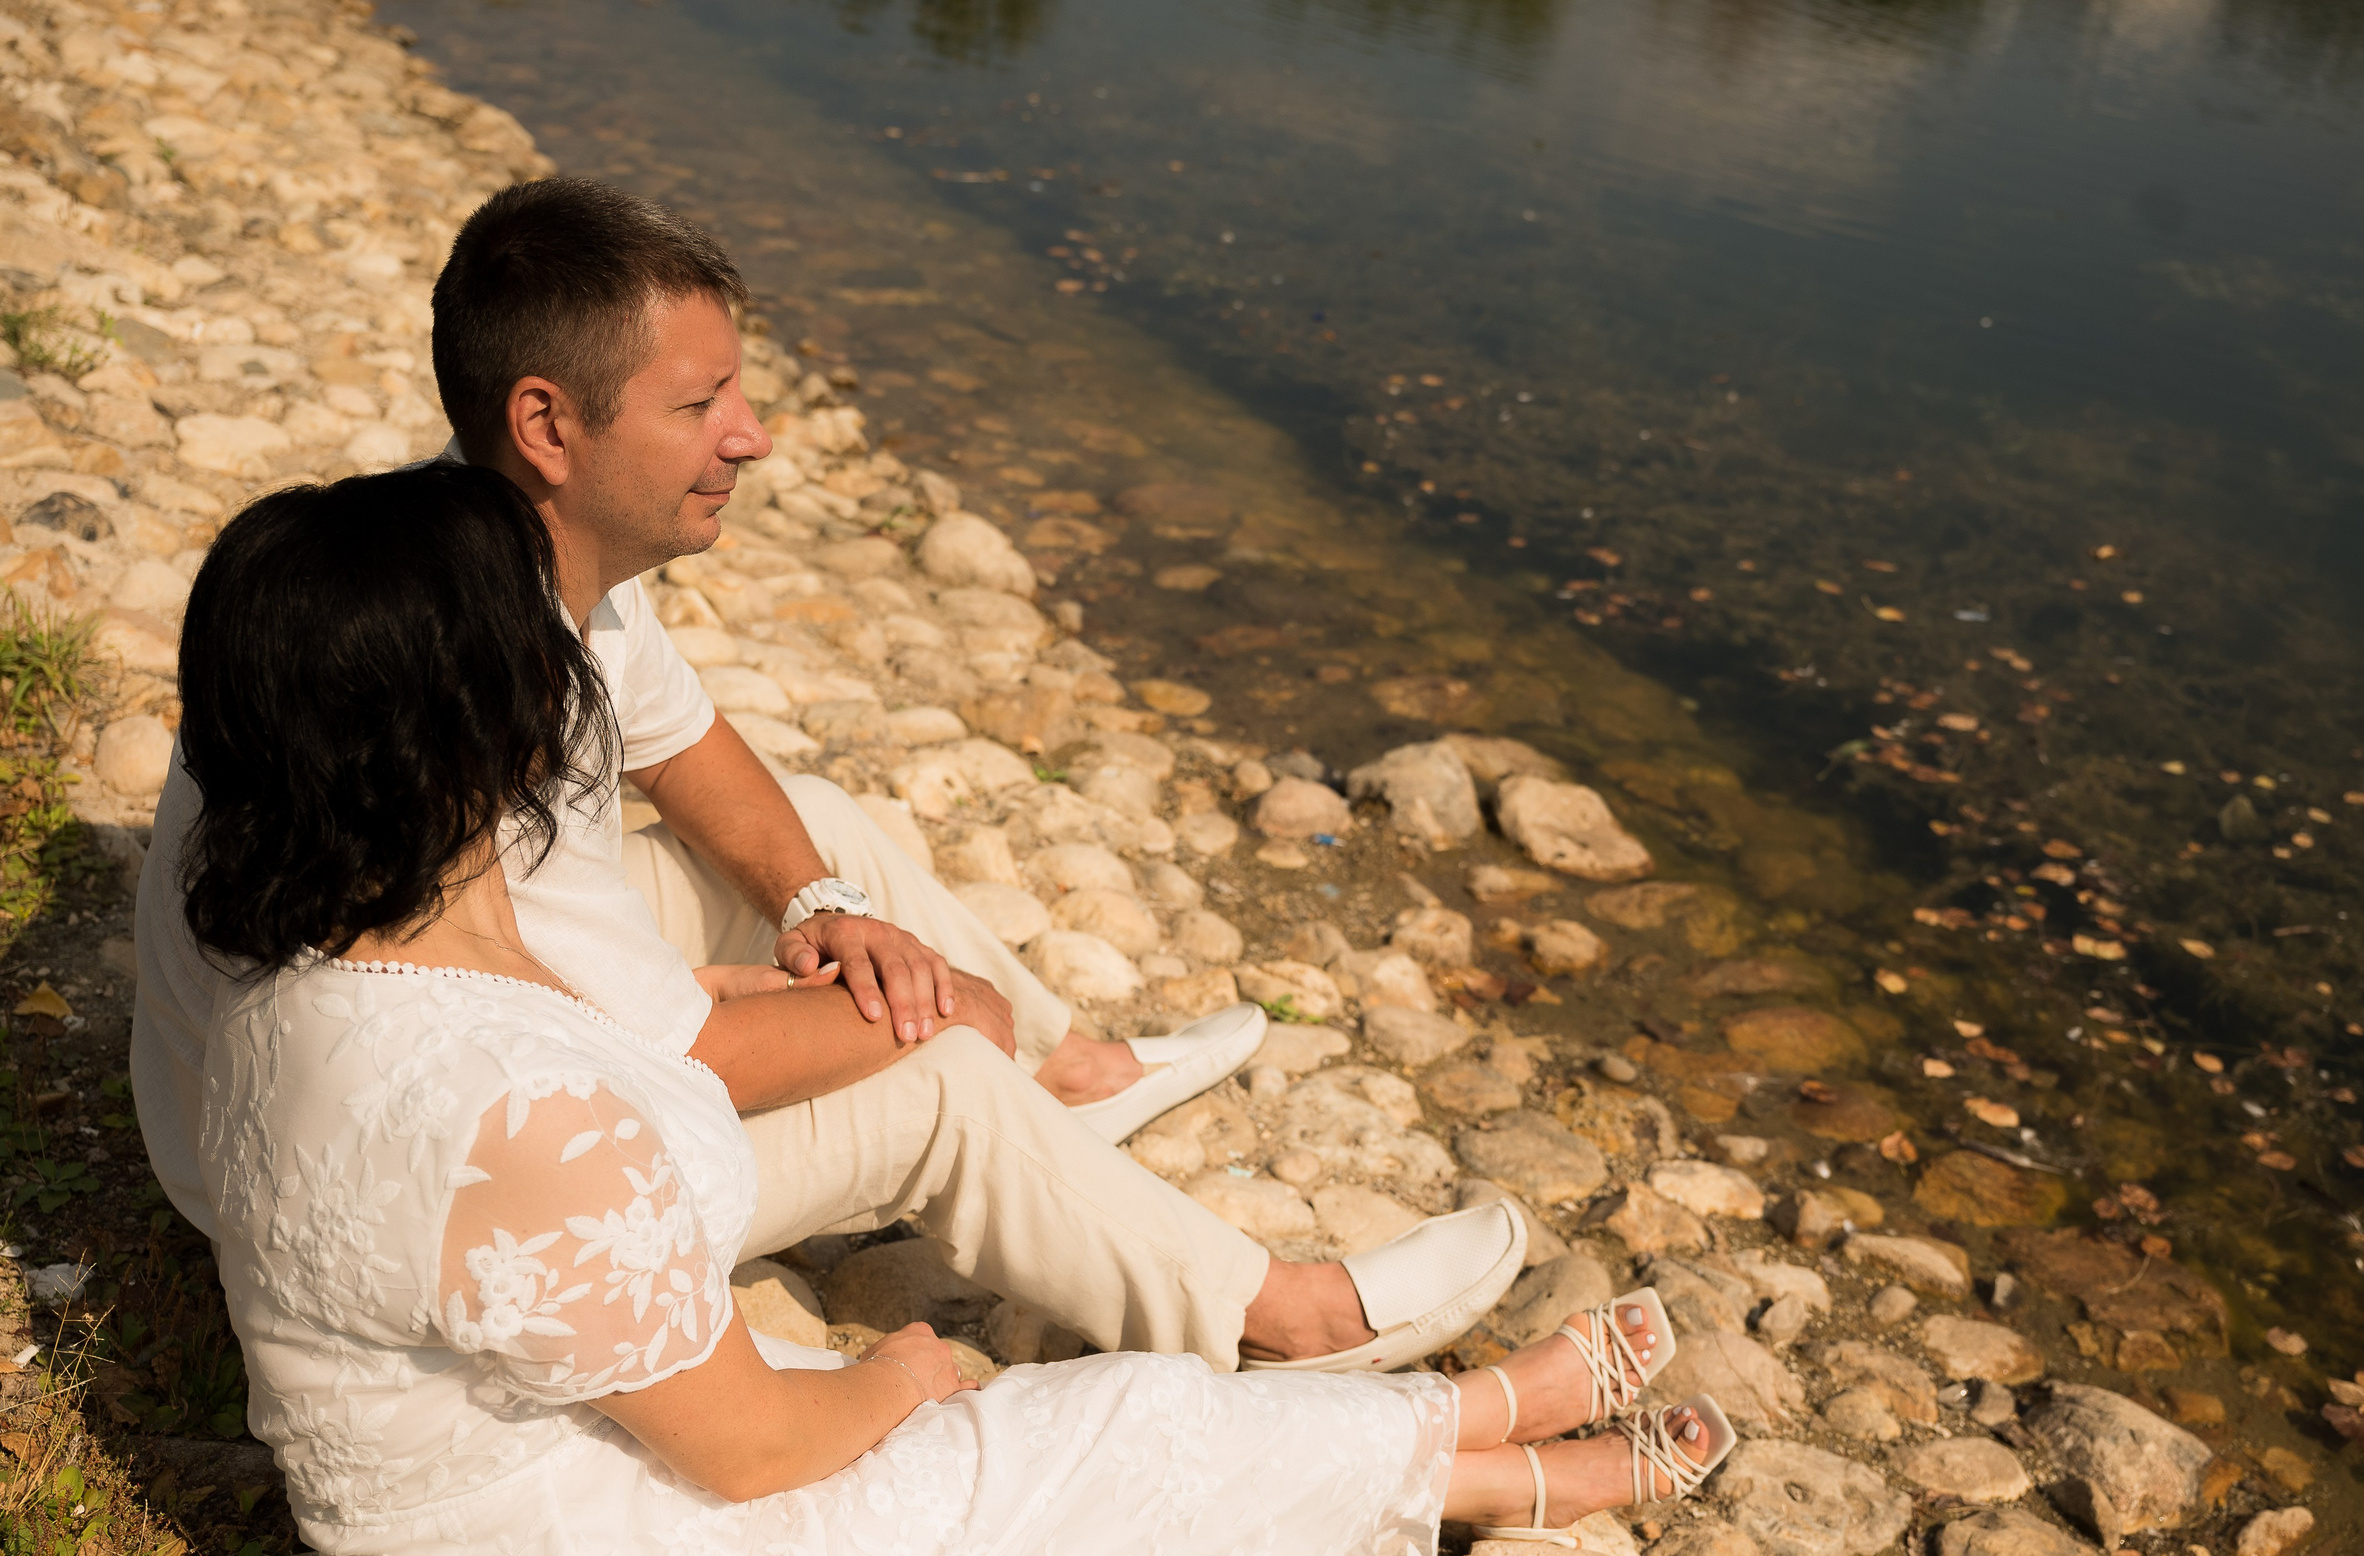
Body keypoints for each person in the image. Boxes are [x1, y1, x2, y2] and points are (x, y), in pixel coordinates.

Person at [177, 463, 1735, 1556]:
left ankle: (1456, 1432)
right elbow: (749, 1449)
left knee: (1086, 1417)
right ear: (465, 746)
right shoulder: (513, 1114)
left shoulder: (299, 965)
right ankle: (1480, 1455)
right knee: (1100, 1427)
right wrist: (902, 1373)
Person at [130, 177, 1525, 1376]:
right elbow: (668, 1058)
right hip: (387, 1192)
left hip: (419, 1069)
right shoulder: (458, 695)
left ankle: (1073, 1081)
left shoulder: (493, 554)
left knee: (835, 833)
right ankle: (1285, 1315)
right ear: (549, 427)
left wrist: (820, 904)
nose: (755, 434)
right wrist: (941, 1016)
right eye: (701, 403)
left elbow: (682, 745)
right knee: (935, 1087)